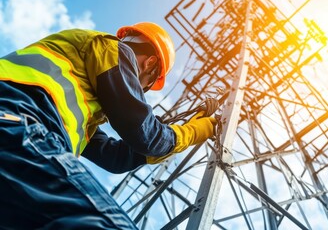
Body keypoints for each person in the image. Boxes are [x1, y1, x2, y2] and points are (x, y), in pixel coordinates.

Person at [0, 22, 217, 229]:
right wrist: (191, 132)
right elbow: (145, 135)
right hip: (20, 122)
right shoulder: (112, 49)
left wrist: (159, 139)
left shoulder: (80, 112)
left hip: (18, 127)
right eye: (144, 87)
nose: (138, 91)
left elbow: (114, 157)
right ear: (150, 63)